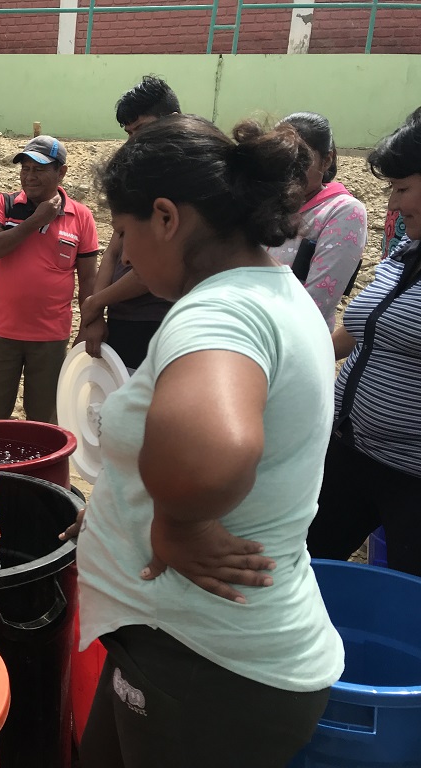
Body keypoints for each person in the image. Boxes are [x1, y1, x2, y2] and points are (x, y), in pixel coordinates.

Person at [65, 115, 342, 767]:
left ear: (166, 217)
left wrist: (175, 523)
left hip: (206, 665)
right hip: (186, 649)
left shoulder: (218, 312)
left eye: (127, 234)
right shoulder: (271, 290)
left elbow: (203, 456)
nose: (126, 255)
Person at [307, 112, 421, 576]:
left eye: (403, 187)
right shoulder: (404, 253)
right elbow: (360, 331)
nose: (393, 203)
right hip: (350, 449)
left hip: (411, 474)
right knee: (309, 564)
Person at [0, 135, 99, 424]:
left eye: (39, 169)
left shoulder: (80, 217)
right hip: (2, 333)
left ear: (62, 172)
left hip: (50, 338)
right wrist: (36, 221)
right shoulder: (4, 205)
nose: (29, 177)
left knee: (45, 420)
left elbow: (89, 281)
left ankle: (37, 472)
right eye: (25, 169)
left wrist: (89, 326)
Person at [78, 75, 180, 370]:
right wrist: (96, 313)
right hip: (120, 320)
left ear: (172, 120)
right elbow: (113, 251)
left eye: (142, 130)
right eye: (129, 133)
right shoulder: (142, 176)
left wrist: (95, 304)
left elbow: (154, 265)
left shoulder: (185, 181)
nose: (135, 142)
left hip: (159, 323)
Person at [265, 112, 367, 330]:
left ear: (327, 159)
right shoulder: (269, 201)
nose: (289, 167)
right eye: (282, 156)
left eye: (302, 158)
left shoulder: (343, 212)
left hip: (291, 340)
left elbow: (317, 302)